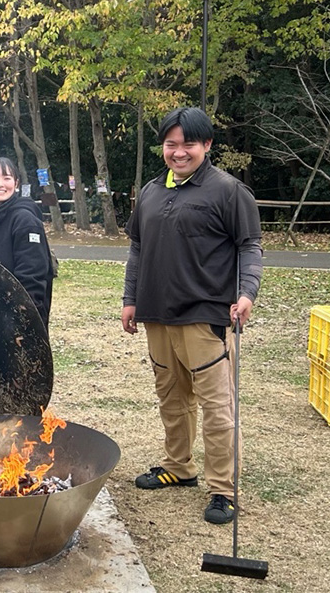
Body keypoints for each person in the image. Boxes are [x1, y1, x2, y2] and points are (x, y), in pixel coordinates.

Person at [120, 106, 263, 525]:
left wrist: (247, 293)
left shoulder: (229, 191)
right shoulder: (151, 191)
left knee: (217, 407)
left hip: (205, 315)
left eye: (189, 144)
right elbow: (137, 248)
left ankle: (223, 489)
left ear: (207, 145)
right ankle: (178, 466)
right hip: (156, 314)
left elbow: (249, 247)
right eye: (171, 144)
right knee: (172, 398)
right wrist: (130, 298)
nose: (179, 152)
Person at [0, 157, 55, 326]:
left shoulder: (25, 220)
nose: (0, 184)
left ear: (16, 184)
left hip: (17, 317)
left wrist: (22, 318)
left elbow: (32, 276)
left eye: (7, 178)